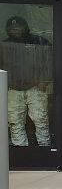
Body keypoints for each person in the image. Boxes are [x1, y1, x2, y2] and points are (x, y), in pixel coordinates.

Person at [3, 16, 51, 147]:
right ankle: (21, 151)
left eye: (18, 27)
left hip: (35, 88)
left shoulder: (39, 41)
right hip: (12, 89)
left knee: (41, 120)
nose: (15, 30)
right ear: (8, 29)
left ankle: (45, 149)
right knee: (15, 121)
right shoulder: (4, 45)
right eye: (12, 28)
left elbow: (50, 62)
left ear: (25, 27)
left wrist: (44, 81)